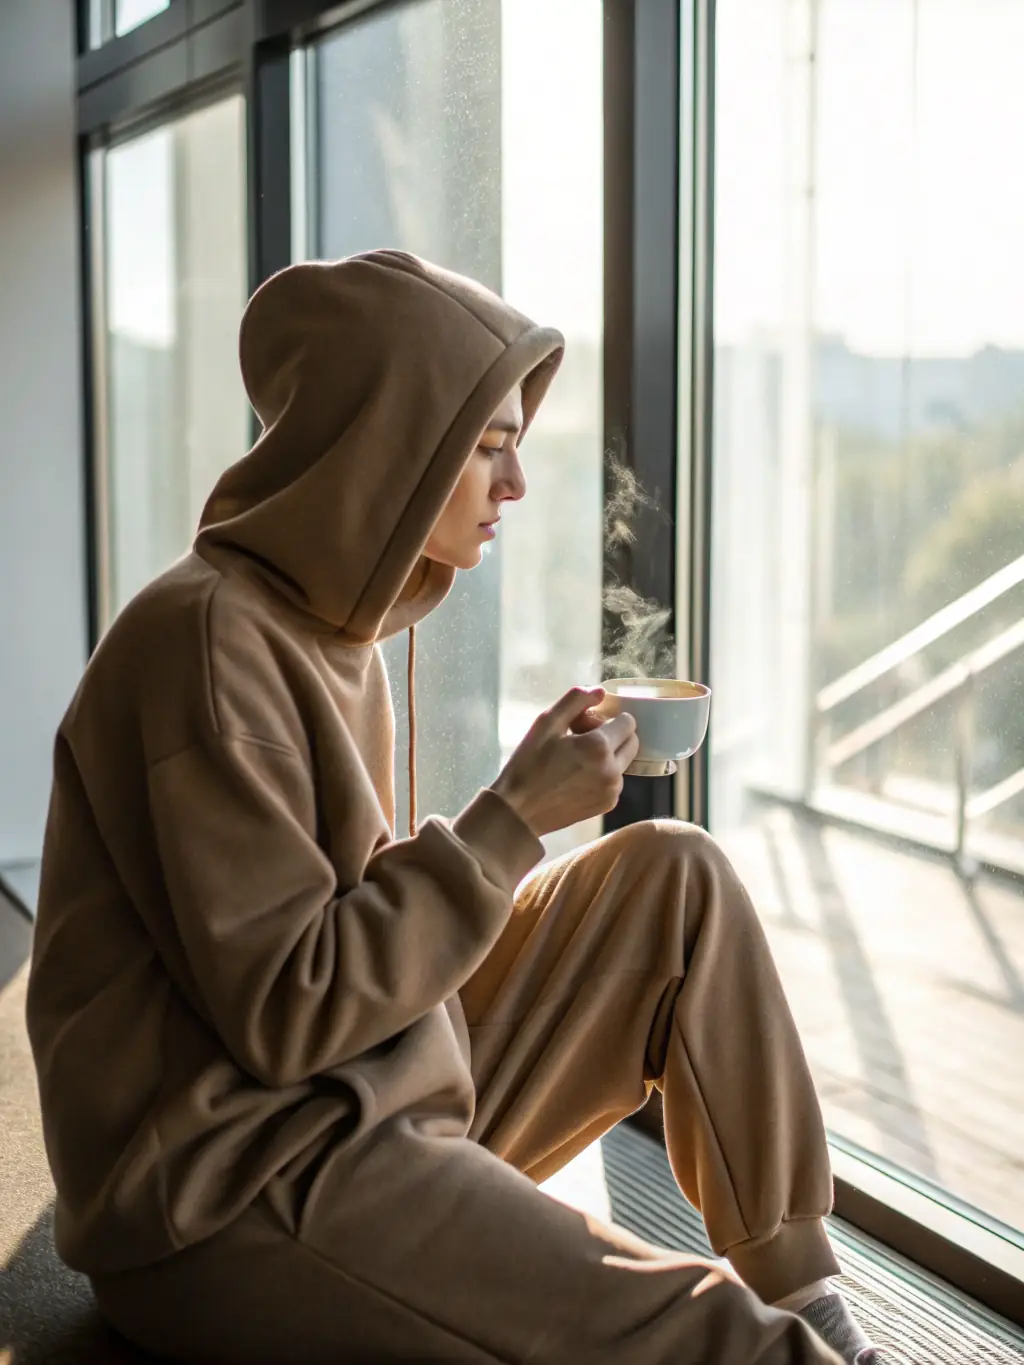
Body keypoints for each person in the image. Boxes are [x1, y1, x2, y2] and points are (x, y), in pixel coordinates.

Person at [26, 250, 879, 1364]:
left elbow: (348, 956)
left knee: (674, 877)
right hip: (231, 1188)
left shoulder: (334, 635)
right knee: (700, 1334)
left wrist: (520, 816)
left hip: (365, 1096)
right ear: (384, 446)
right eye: (486, 447)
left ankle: (810, 1294)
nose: (514, 484)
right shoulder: (203, 646)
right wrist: (510, 819)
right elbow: (291, 1013)